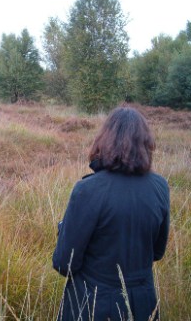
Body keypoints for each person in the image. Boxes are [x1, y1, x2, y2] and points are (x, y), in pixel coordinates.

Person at [52, 105, 170, 321]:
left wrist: (63, 230)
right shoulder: (160, 186)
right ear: (146, 143)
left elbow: (64, 263)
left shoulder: (88, 189)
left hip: (93, 305)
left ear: (104, 140)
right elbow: (157, 252)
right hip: (144, 304)